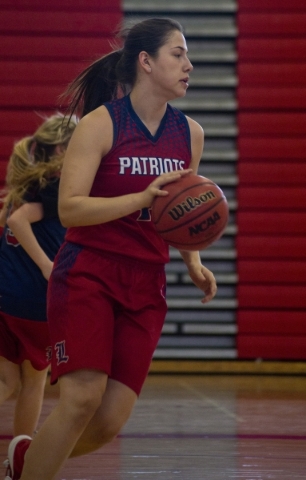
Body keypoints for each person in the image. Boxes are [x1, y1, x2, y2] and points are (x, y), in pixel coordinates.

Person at [5, 17, 217, 480]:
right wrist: (141, 198)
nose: (189, 65)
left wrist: (194, 261)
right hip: (89, 274)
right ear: (146, 61)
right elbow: (71, 209)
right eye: (178, 54)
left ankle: (25, 460)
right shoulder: (100, 126)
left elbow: (181, 211)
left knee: (106, 424)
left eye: (188, 56)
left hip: (146, 284)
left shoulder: (190, 134)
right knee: (81, 399)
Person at [0, 114, 77, 448]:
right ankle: (21, 457)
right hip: (33, 303)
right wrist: (48, 265)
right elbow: (18, 220)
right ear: (62, 149)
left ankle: (18, 453)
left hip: (5, 296)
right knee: (33, 381)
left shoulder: (25, 185)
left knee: (8, 380)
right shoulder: (58, 188)